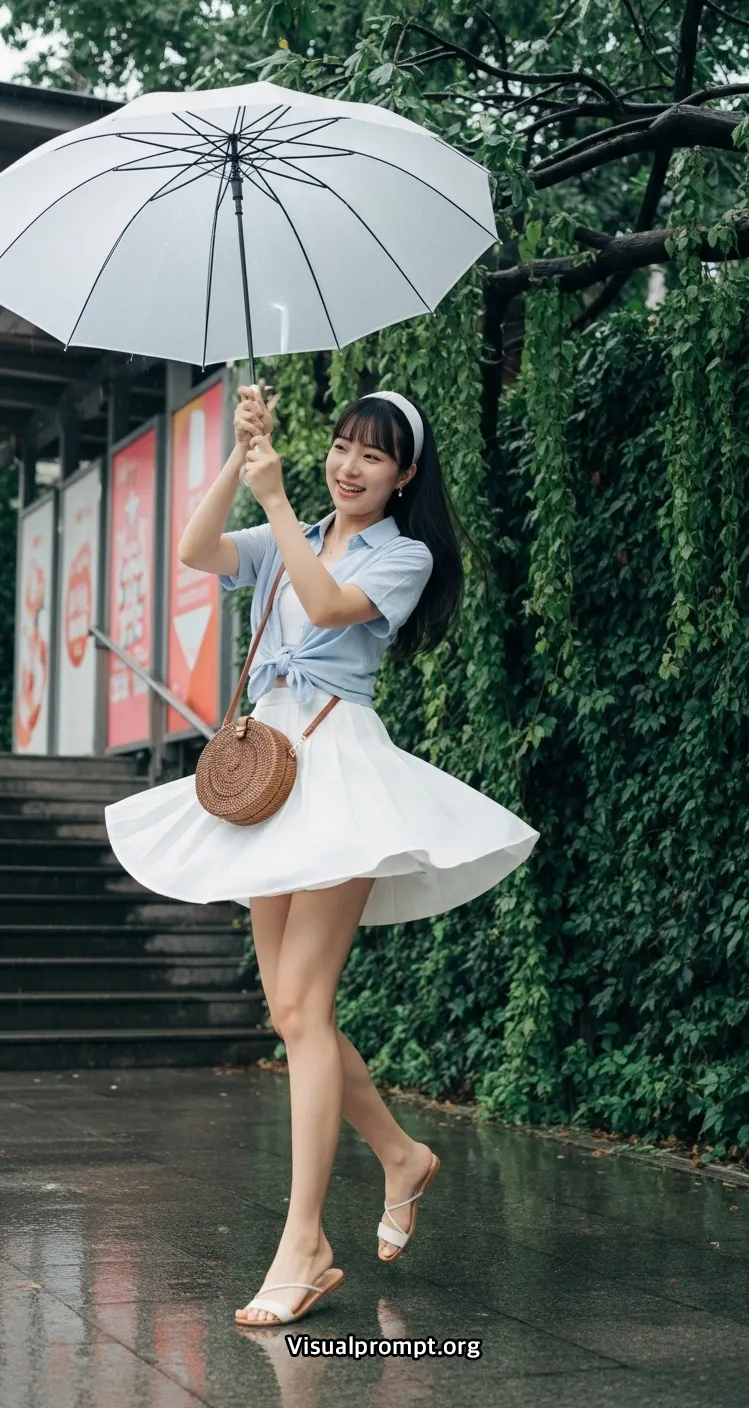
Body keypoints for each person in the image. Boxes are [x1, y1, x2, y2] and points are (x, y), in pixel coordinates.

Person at [105, 383, 540, 1328]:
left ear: (403, 476)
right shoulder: (293, 524)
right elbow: (192, 551)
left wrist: (274, 505)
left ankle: (303, 1242)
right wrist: (242, 454)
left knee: (306, 1004)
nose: (348, 465)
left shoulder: (403, 554)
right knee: (289, 1009)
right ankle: (398, 1155)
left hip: (336, 769)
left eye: (372, 455)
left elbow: (329, 604)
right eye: (343, 446)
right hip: (264, 769)